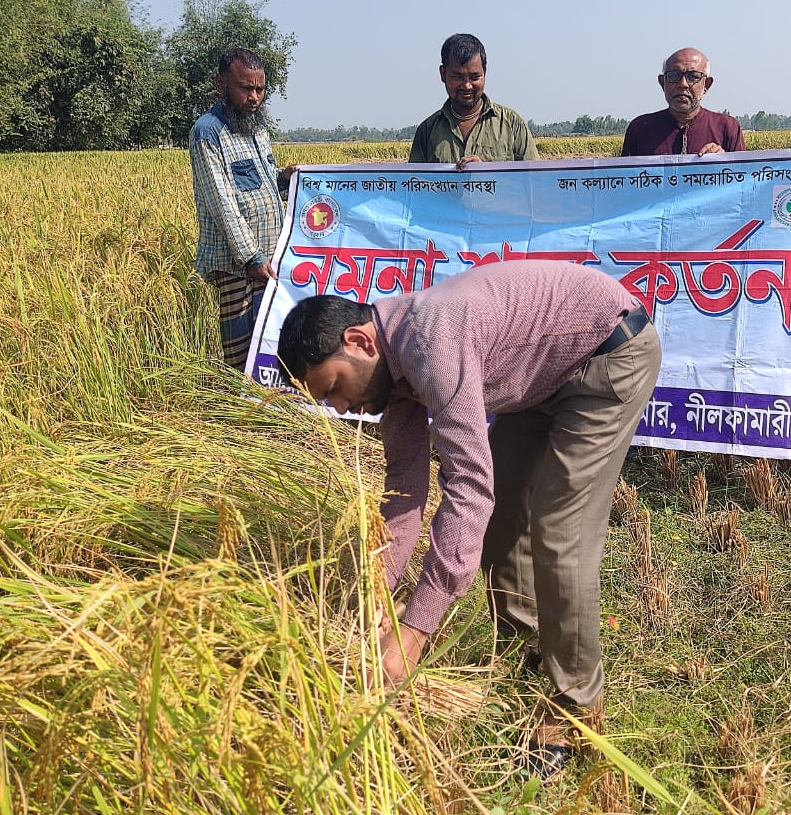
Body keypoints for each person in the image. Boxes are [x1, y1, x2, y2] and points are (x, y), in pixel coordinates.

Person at [276, 260, 661, 777]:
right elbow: (404, 496)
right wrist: (375, 590)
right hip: (540, 379)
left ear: (359, 341)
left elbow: (468, 491)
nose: (342, 409)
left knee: (557, 533)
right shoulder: (395, 380)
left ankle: (576, 711)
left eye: (335, 388)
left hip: (607, 355)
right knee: (503, 523)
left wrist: (414, 631)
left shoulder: (431, 341)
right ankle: (527, 656)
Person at [190, 47, 296, 371]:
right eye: (245, 88)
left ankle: (266, 411)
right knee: (241, 353)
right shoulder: (208, 132)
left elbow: (260, 185)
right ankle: (238, 415)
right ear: (221, 83)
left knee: (270, 344)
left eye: (260, 89)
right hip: (238, 265)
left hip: (268, 261)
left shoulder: (257, 128)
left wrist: (287, 181)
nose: (254, 97)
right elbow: (222, 204)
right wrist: (251, 256)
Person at [409, 33, 539, 168]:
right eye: (457, 77)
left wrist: (485, 174)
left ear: (485, 72)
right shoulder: (427, 131)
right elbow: (414, 184)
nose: (467, 86)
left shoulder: (512, 124)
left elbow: (533, 182)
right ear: (443, 74)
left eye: (474, 77)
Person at [620, 47, 746, 156]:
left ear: (706, 85)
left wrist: (725, 161)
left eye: (693, 77)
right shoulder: (641, 129)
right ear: (662, 82)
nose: (683, 84)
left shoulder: (727, 128)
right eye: (674, 76)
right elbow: (625, 179)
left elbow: (743, 179)